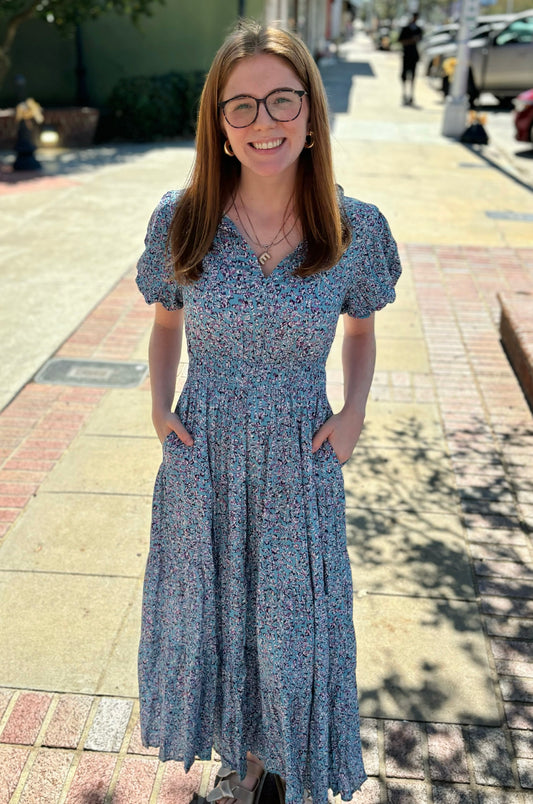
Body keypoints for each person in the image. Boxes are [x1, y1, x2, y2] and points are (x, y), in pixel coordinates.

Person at [135, 19, 401, 804]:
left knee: (288, 629)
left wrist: (350, 414)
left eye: (281, 101)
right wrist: (159, 412)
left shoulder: (354, 228)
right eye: (240, 106)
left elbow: (360, 328)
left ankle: (282, 755)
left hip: (297, 448)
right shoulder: (180, 218)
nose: (263, 123)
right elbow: (164, 322)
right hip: (205, 445)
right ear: (217, 126)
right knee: (213, 616)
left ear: (311, 116)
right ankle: (237, 764)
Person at [398, 12, 423, 105]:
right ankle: (404, 93)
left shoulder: (418, 29)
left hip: (414, 55)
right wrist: (411, 40)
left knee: (413, 76)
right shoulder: (405, 29)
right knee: (404, 75)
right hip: (406, 54)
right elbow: (400, 40)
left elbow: (420, 39)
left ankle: (411, 95)